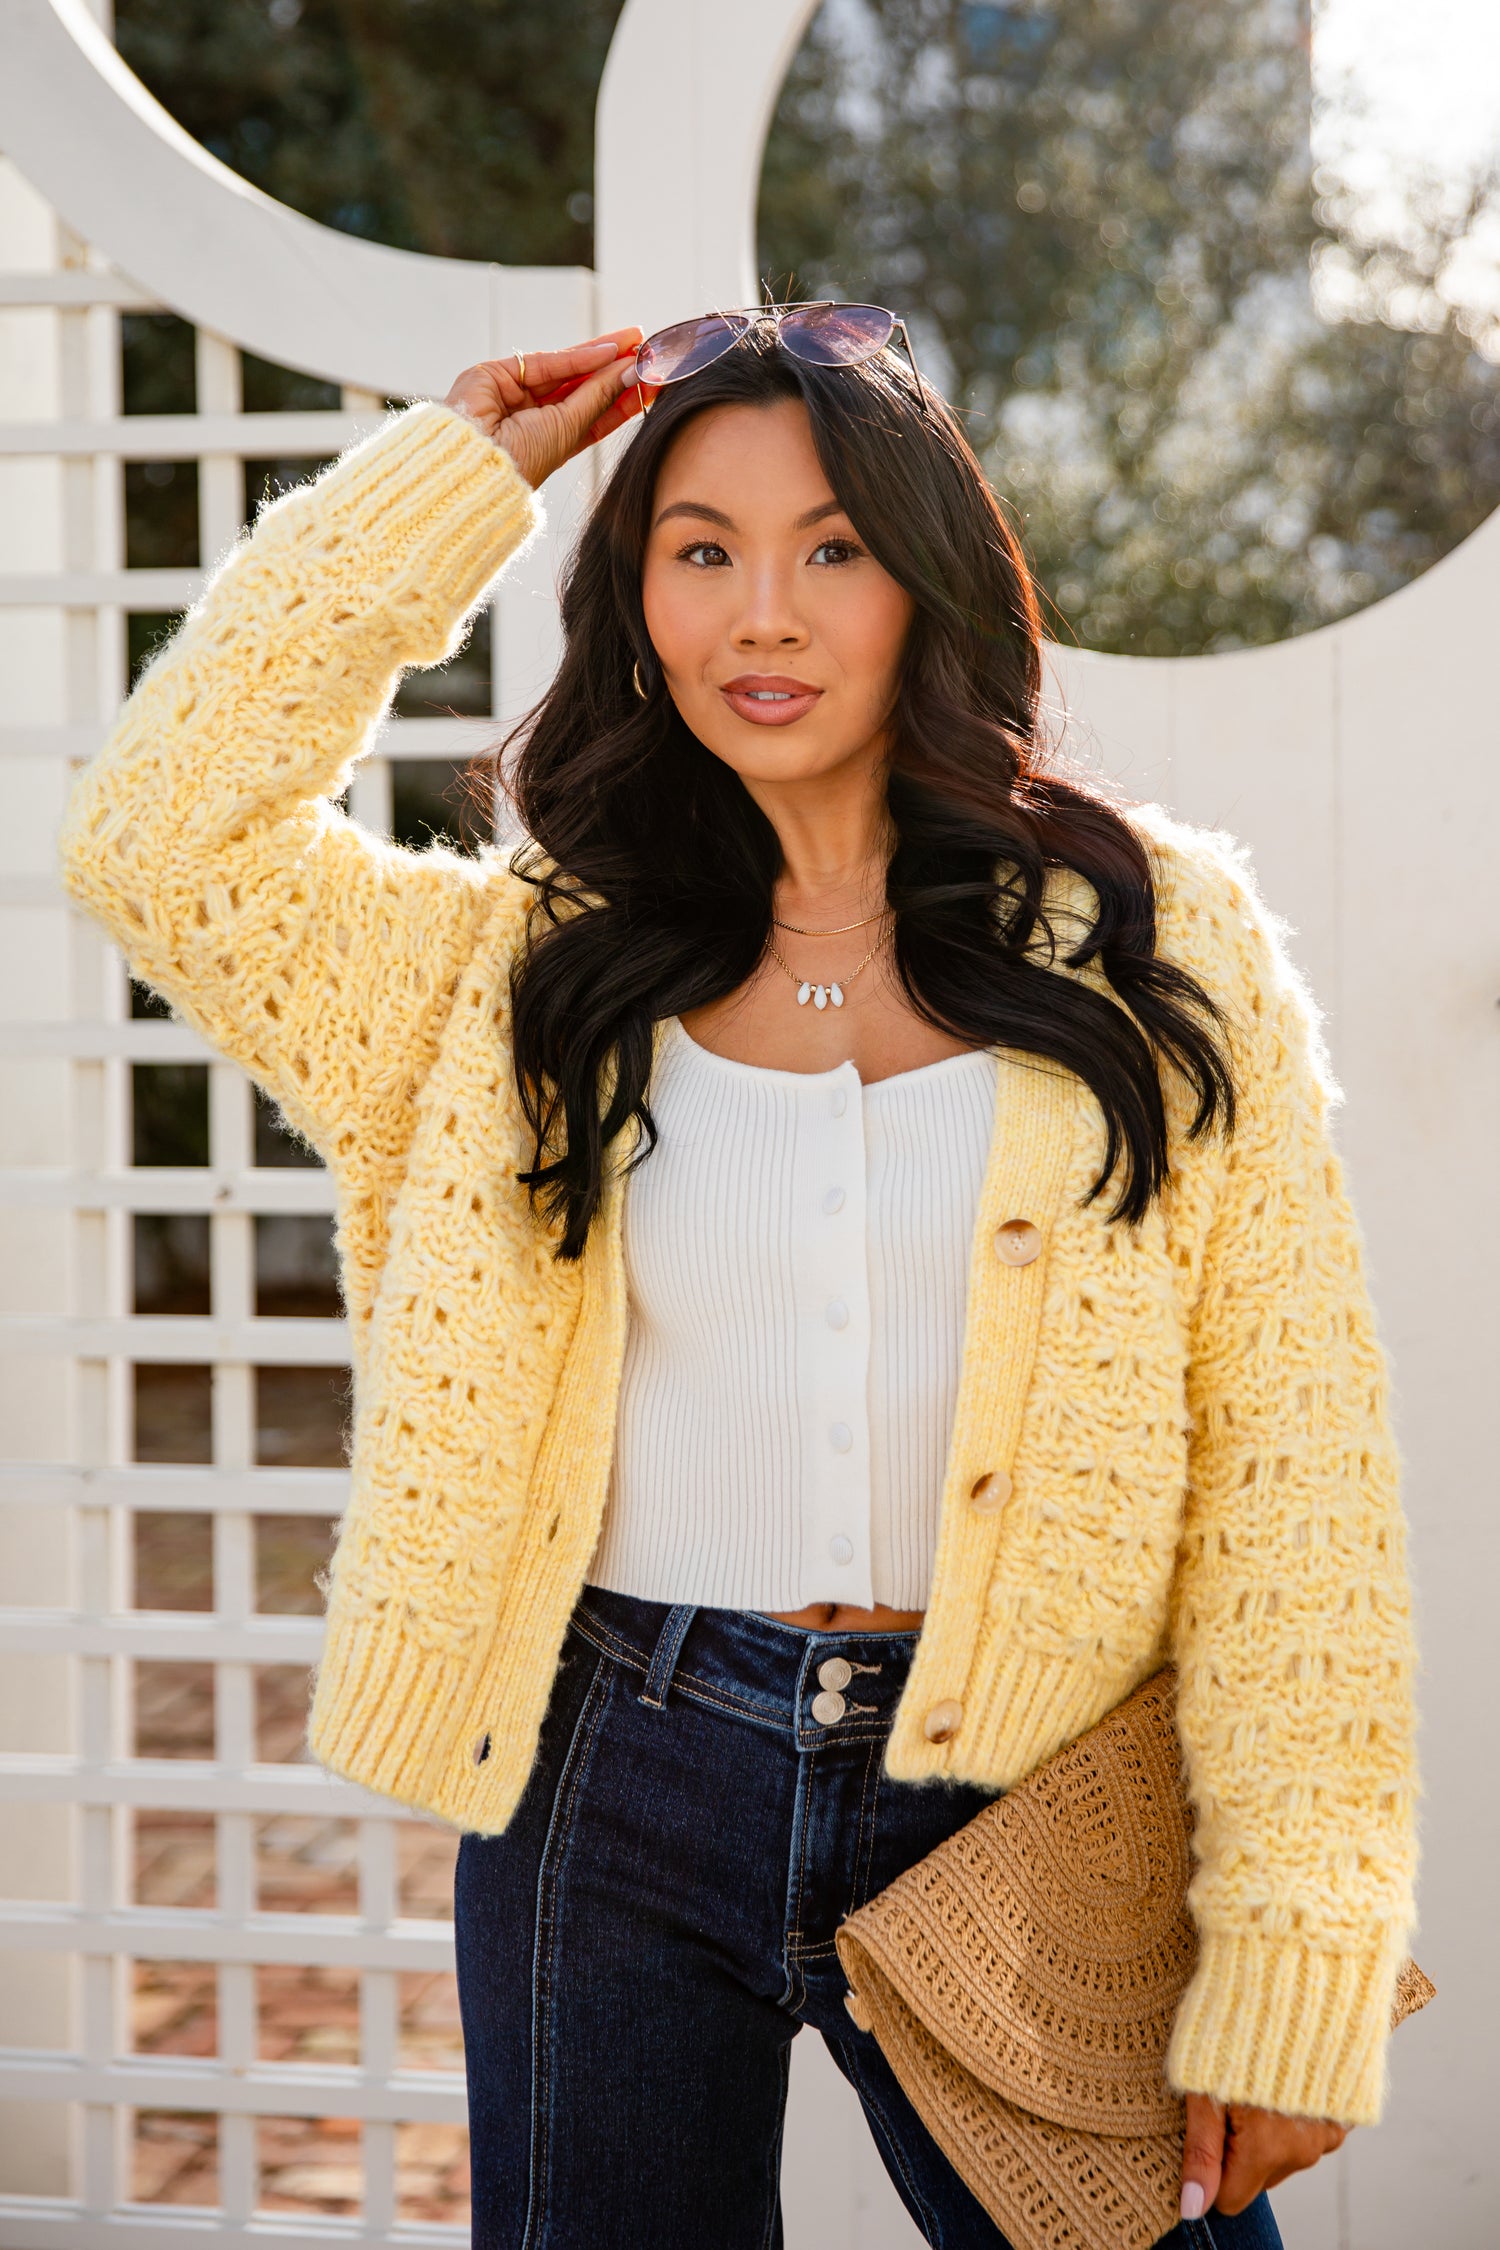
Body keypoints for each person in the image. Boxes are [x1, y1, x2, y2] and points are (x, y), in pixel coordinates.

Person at [57, 312, 1417, 2249]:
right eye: (701, 549)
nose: (760, 615)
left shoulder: (1153, 935)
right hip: (614, 1771)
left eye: (831, 548)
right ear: (638, 597)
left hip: (1025, 1784)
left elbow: (1301, 1486)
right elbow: (157, 840)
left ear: (928, 577)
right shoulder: (520, 974)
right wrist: (457, 481)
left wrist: (1300, 1938)